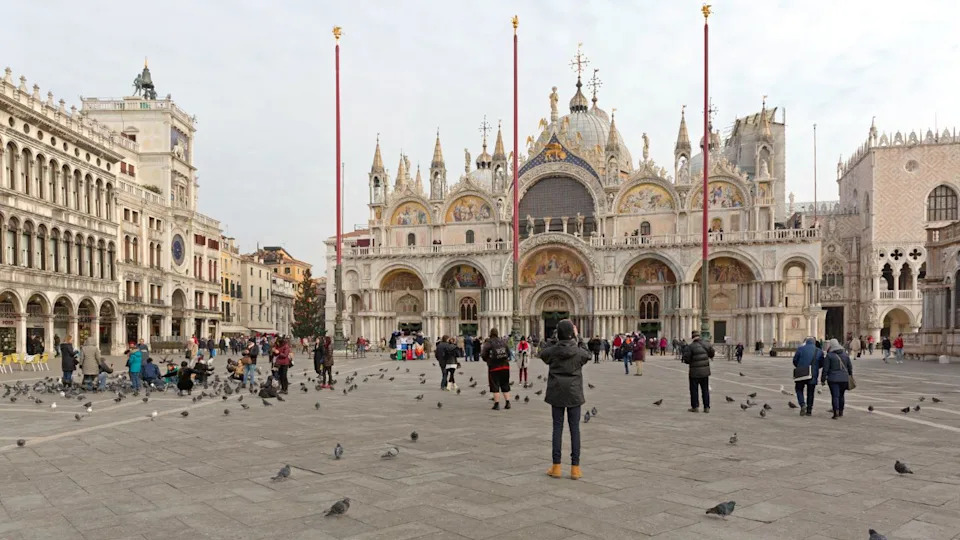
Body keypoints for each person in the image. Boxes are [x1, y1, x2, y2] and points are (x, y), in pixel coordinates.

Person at [540, 319, 591, 480]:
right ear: (572, 334)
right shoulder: (578, 351)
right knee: (574, 429)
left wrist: (555, 338)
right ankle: (575, 468)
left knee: (557, 428)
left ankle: (556, 467)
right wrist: (579, 337)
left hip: (556, 393)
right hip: (574, 393)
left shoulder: (553, 351)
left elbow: (543, 352)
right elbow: (587, 353)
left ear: (558, 334)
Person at [682, 331, 714, 413]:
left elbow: (686, 359)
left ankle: (695, 407)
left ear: (692, 337)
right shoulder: (706, 344)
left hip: (694, 372)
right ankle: (706, 407)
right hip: (705, 372)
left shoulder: (690, 347)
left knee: (694, 390)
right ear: (699, 336)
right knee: (705, 390)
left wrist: (689, 361)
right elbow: (712, 353)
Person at [481, 328, 512, 410]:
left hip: (494, 367)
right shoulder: (503, 342)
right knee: (505, 384)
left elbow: (483, 354)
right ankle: (508, 402)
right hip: (505, 366)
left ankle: (497, 404)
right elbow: (509, 353)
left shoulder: (489, 343)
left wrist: (488, 360)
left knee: (495, 385)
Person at [821, 339, 853, 419]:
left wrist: (823, 379)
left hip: (833, 379)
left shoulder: (829, 355)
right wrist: (850, 375)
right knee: (841, 395)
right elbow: (850, 367)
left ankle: (836, 412)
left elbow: (825, 369)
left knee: (835, 396)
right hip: (844, 379)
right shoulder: (845, 355)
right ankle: (841, 411)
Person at [791, 337, 821, 416]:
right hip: (813, 374)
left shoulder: (800, 349)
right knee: (810, 393)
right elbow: (821, 363)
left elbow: (795, 360)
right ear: (814, 343)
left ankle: (802, 404)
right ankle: (809, 410)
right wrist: (815, 368)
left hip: (801, 373)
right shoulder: (819, 351)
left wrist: (800, 366)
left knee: (799, 389)